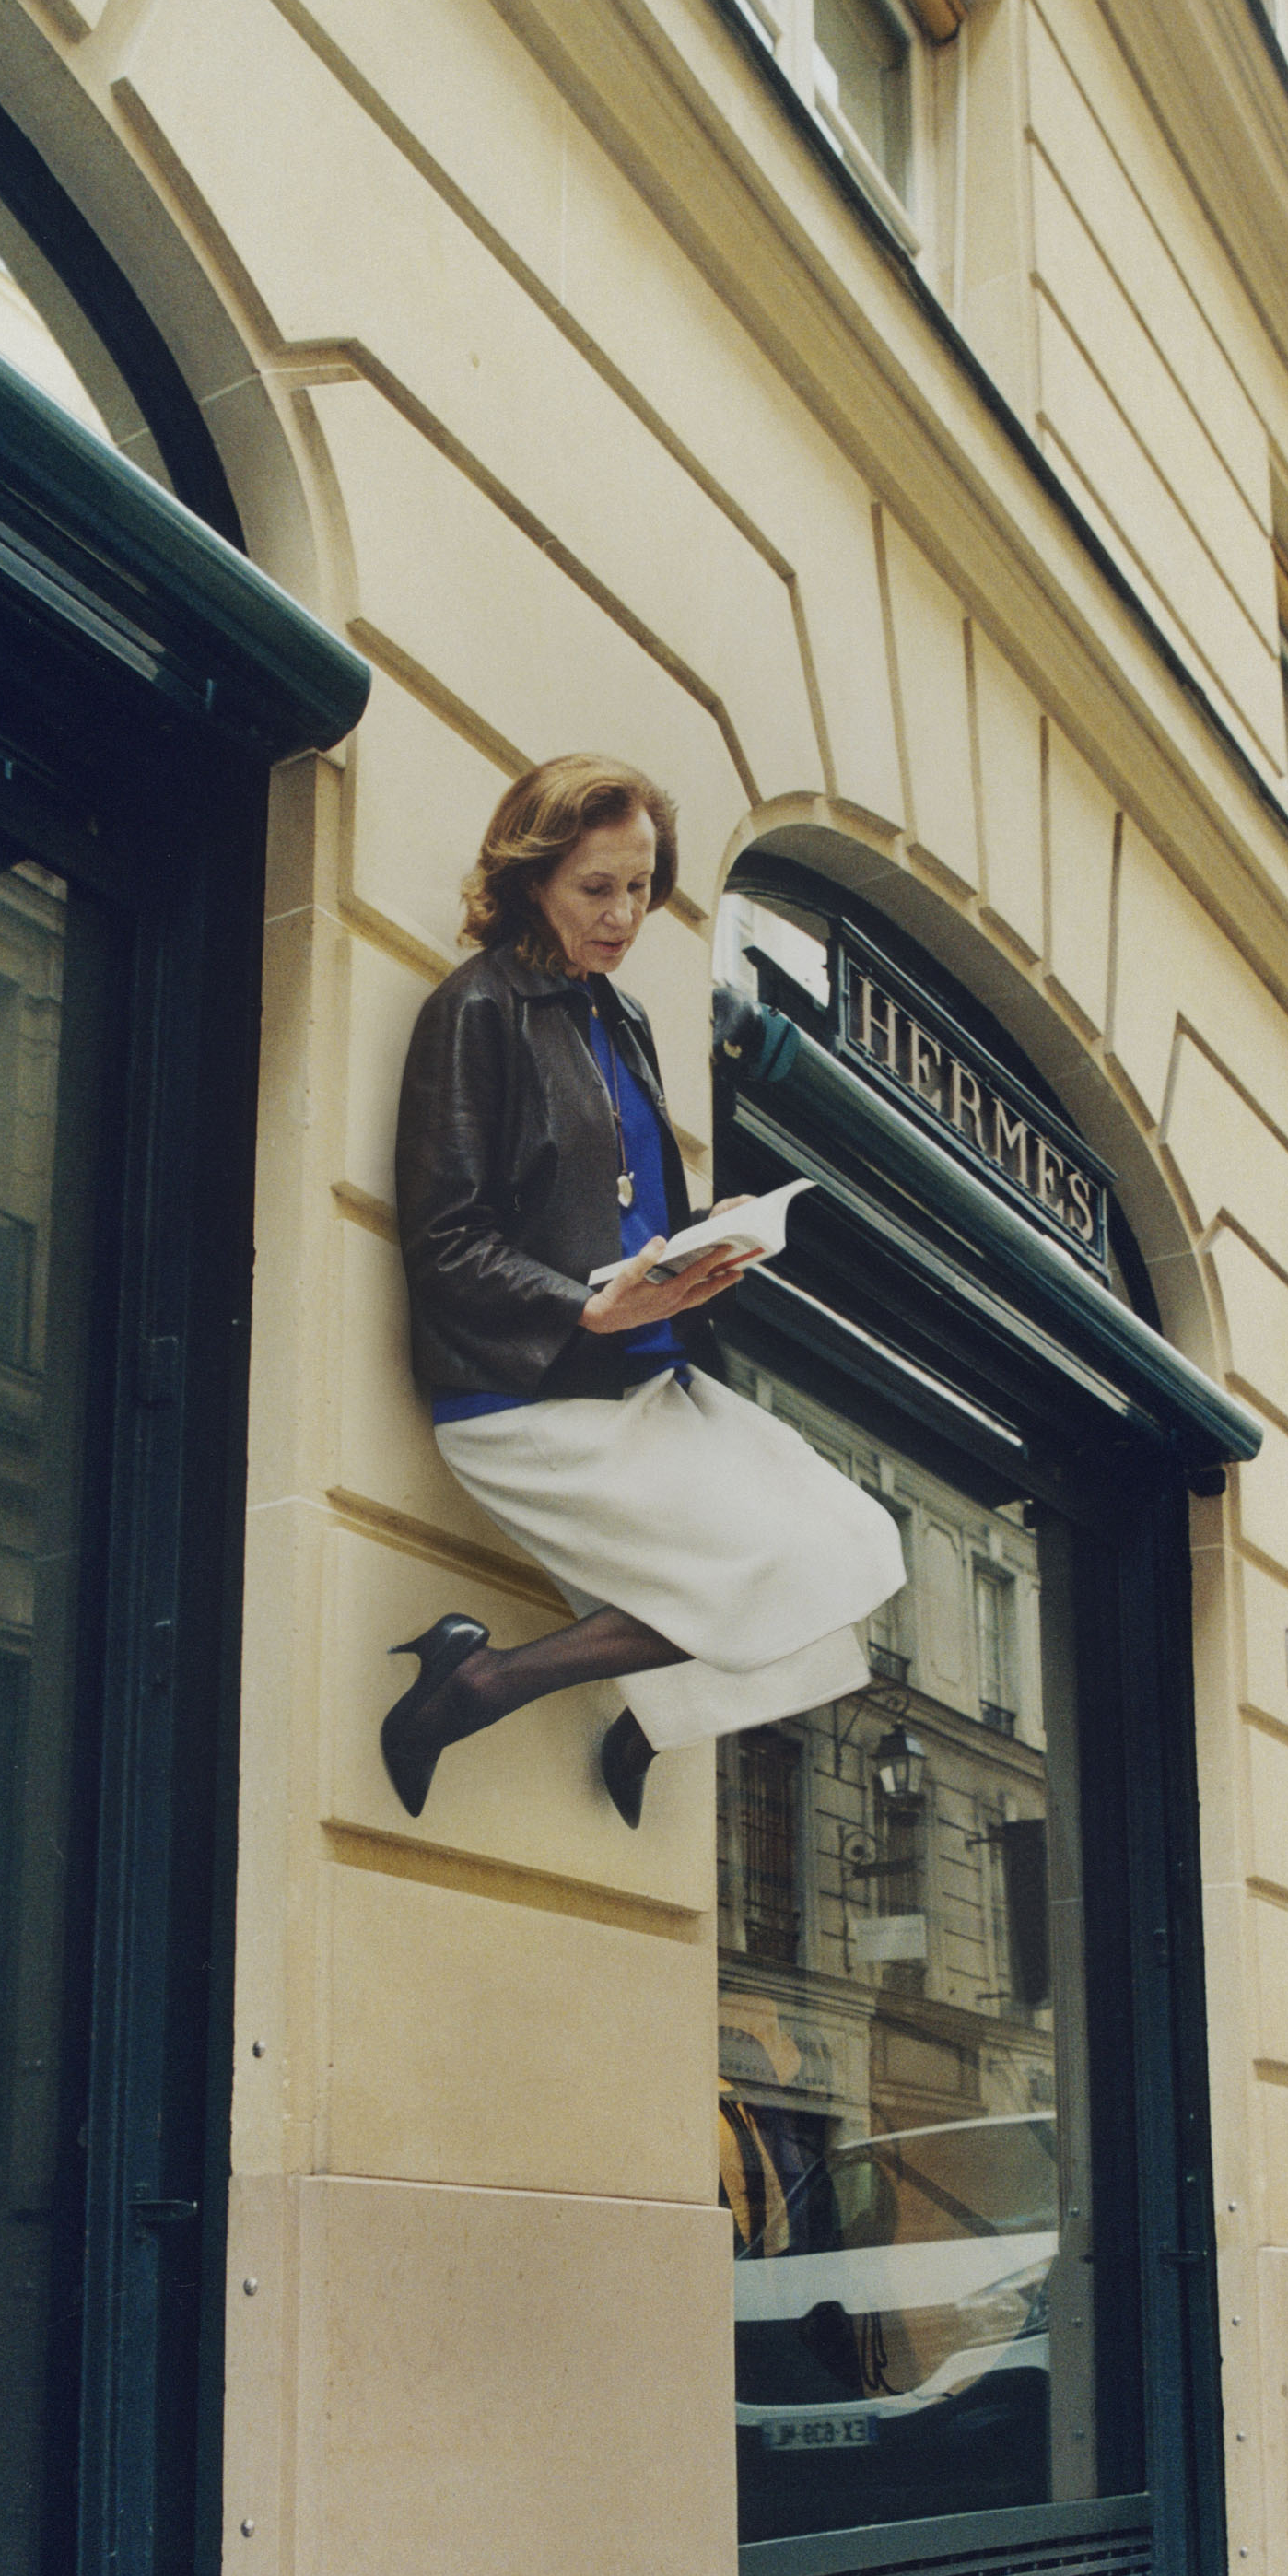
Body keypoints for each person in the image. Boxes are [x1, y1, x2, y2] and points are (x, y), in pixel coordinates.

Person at [381, 755, 904, 1828]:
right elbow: (444, 1242)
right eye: (596, 888)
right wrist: (581, 1306)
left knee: (853, 1543)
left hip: (641, 1380)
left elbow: (619, 1210)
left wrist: (709, 1236)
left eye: (639, 886)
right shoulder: (476, 1008)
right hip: (527, 1395)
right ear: (531, 877)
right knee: (773, 1564)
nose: (624, 915)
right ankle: (480, 1682)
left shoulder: (621, 1020)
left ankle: (655, 1715)